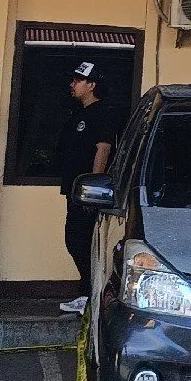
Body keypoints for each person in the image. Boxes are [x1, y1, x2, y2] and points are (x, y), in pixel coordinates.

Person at [57, 62, 115, 314]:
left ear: (92, 85)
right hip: (74, 189)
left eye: (78, 80)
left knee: (82, 241)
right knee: (75, 240)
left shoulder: (102, 112)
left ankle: (91, 296)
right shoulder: (78, 113)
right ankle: (86, 293)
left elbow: (103, 149)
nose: (73, 84)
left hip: (88, 193)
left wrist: (94, 187)